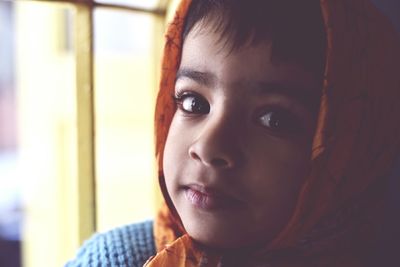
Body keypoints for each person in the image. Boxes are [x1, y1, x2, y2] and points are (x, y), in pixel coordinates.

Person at [65, 0, 400, 266]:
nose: (209, 147)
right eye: (194, 102)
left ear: (350, 150)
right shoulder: (115, 259)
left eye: (274, 120)